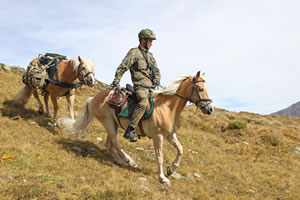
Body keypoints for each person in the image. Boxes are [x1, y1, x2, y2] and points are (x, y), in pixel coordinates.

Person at [111, 29, 161, 142]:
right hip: (140, 86)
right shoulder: (134, 53)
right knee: (143, 102)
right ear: (143, 40)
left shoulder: (150, 56)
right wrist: (116, 80)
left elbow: (157, 71)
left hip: (151, 87)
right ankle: (130, 129)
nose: (151, 43)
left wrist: (157, 79)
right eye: (150, 40)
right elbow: (123, 67)